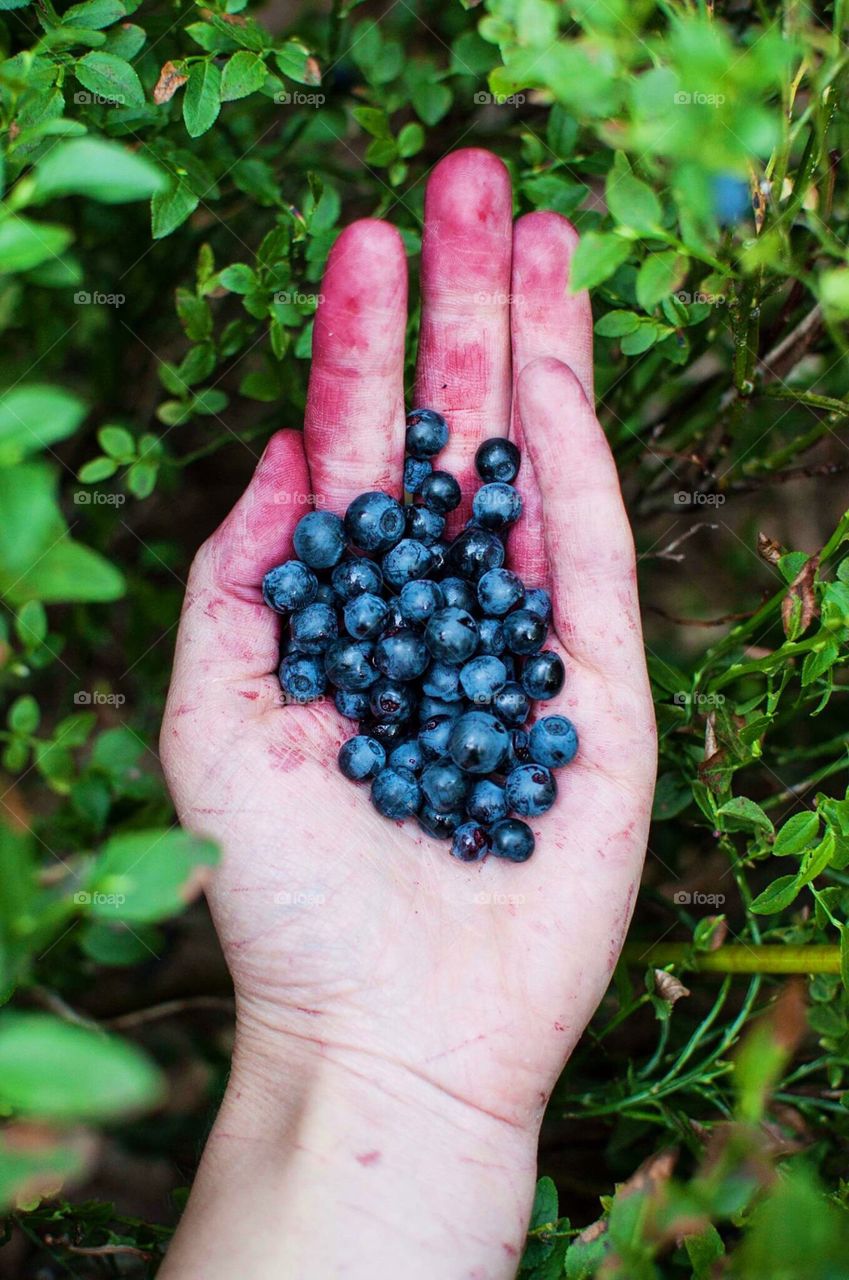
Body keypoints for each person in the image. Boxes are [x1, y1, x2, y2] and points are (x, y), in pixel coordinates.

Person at [158, 147, 656, 1280]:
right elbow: (420, 663)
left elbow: (454, 676)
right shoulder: (417, 664)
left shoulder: (473, 697)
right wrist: (384, 1060)